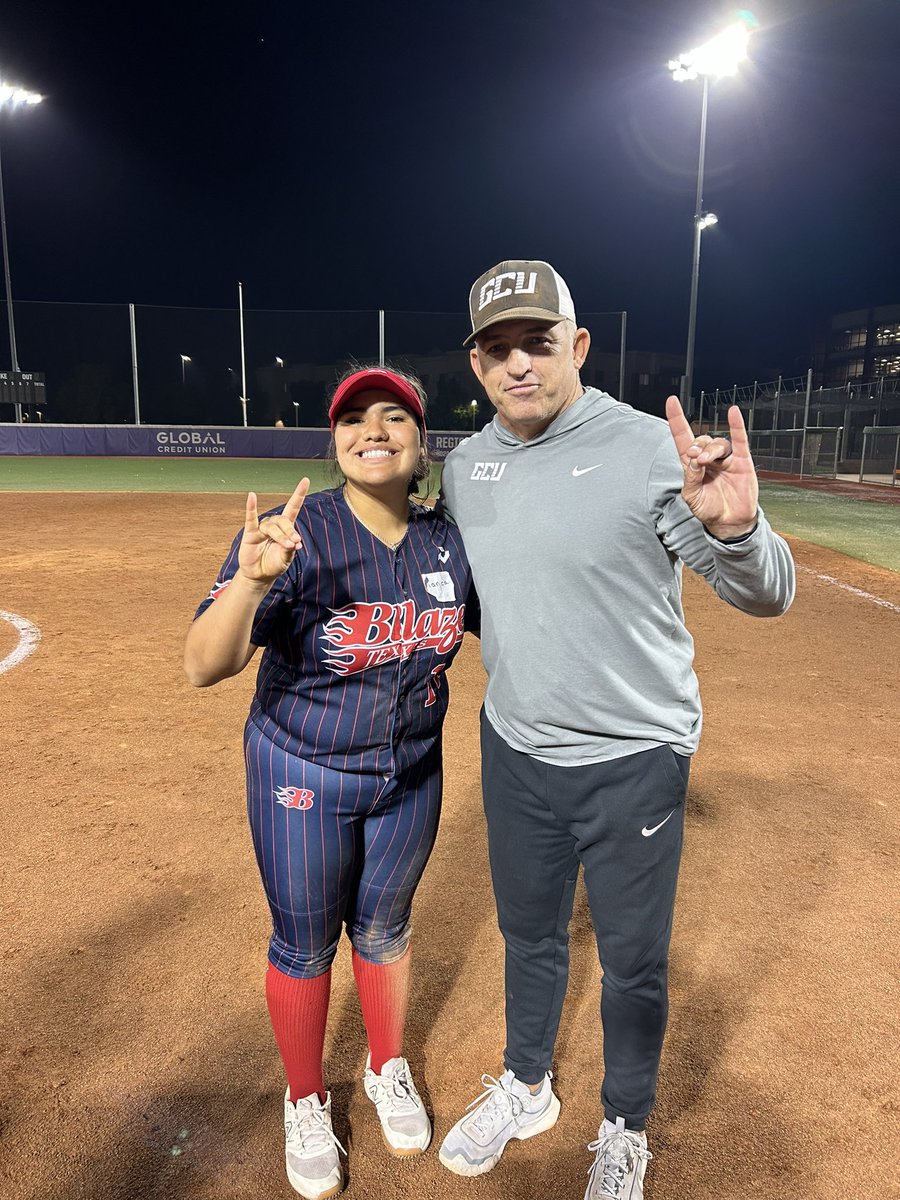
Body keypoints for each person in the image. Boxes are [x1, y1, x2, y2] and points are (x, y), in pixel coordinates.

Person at [436, 260, 795, 1199]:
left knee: (633, 962)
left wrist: (738, 532)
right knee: (529, 935)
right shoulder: (468, 468)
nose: (518, 365)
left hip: (633, 759)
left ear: (579, 347)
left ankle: (625, 1124)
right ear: (475, 364)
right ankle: (526, 1085)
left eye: (538, 343)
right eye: (497, 349)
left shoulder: (647, 449)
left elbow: (769, 595)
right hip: (514, 750)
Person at [184, 366, 474, 1200]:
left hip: (411, 774)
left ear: (422, 444)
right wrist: (251, 579)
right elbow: (205, 665)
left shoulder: (446, 542)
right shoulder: (294, 533)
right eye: (354, 419)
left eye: (394, 418)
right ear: (335, 439)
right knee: (306, 942)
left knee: (384, 931)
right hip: (301, 773)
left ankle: (388, 1067)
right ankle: (305, 1097)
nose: (372, 431)